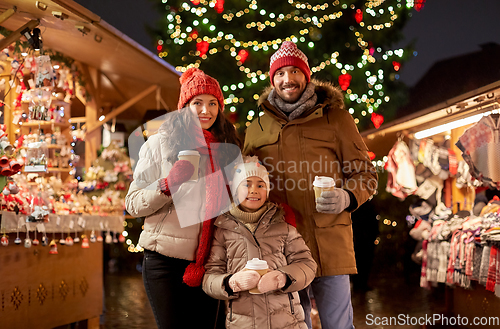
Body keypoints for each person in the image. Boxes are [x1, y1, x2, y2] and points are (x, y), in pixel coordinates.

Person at [243, 41, 378, 329]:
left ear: (306, 76)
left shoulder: (336, 119)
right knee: (292, 325)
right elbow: (244, 184)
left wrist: (348, 196)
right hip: (281, 248)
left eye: (294, 72)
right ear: (272, 79)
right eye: (280, 74)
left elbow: (366, 174)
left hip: (328, 243)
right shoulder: (256, 128)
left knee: (338, 325)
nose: (287, 79)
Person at [125, 67, 241, 329]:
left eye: (213, 103)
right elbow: (132, 204)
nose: (206, 110)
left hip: (210, 262)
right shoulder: (160, 144)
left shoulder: (227, 147)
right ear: (184, 106)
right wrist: (168, 184)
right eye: (197, 103)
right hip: (165, 262)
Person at [202, 156, 317, 328]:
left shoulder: (283, 227)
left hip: (287, 322)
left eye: (260, 185)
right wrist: (231, 282)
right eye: (246, 184)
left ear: (267, 190)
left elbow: (307, 264)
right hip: (243, 323)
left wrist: (282, 278)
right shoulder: (223, 230)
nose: (254, 190)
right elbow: (210, 277)